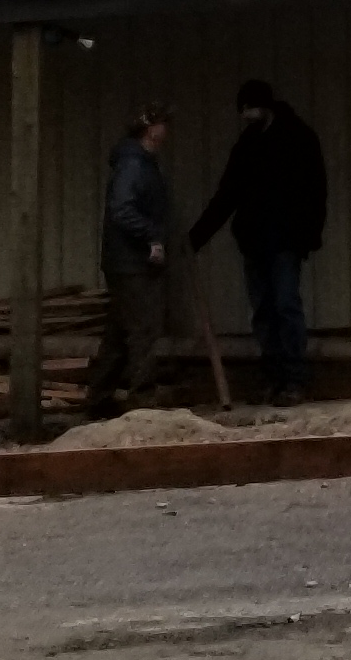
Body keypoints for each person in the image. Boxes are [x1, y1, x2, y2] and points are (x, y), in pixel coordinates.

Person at [192, 80, 326, 402]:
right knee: (265, 311)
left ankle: (293, 378)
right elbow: (227, 194)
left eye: (249, 109)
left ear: (264, 106)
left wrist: (307, 235)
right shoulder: (248, 145)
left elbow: (315, 190)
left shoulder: (297, 138)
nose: (246, 115)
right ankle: (274, 376)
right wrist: (197, 236)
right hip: (256, 242)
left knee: (285, 306)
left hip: (284, 241)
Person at [82, 107, 173, 417]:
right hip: (133, 264)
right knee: (143, 331)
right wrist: (152, 237)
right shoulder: (134, 165)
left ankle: (99, 398)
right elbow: (122, 209)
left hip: (125, 262)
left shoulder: (138, 162)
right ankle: (143, 399)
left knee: (119, 333)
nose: (166, 131)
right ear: (150, 130)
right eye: (163, 124)